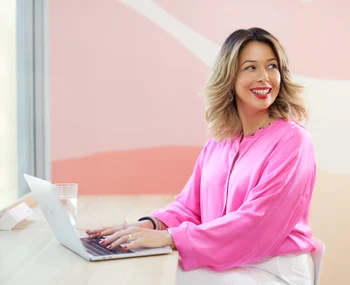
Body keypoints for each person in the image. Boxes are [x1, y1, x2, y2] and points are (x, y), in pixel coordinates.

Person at [86, 27, 316, 284]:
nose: (264, 77)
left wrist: (172, 238)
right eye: (251, 67)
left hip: (271, 269)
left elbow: (257, 224)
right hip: (225, 263)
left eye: (272, 66)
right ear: (229, 76)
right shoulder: (220, 142)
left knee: (158, 278)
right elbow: (189, 207)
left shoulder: (293, 141)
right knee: (141, 266)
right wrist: (151, 225)